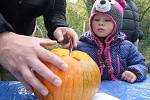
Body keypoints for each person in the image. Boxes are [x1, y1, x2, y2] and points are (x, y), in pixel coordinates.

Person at [0, 0, 78, 96]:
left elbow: (56, 7)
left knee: (13, 88)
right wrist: (2, 37)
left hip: (23, 47)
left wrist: (58, 24)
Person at [75, 0, 148, 83]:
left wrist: (134, 72)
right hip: (88, 90)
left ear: (117, 24)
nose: (101, 23)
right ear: (91, 22)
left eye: (107, 20)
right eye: (96, 19)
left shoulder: (127, 46)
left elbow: (141, 64)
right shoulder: (80, 46)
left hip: (119, 91)